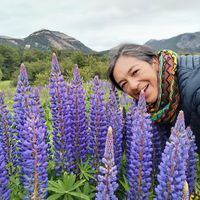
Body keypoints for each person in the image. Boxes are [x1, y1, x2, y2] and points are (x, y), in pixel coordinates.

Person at [108, 43, 200, 153]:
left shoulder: (196, 88)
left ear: (155, 62)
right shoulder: (157, 107)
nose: (133, 85)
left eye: (135, 72)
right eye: (124, 84)